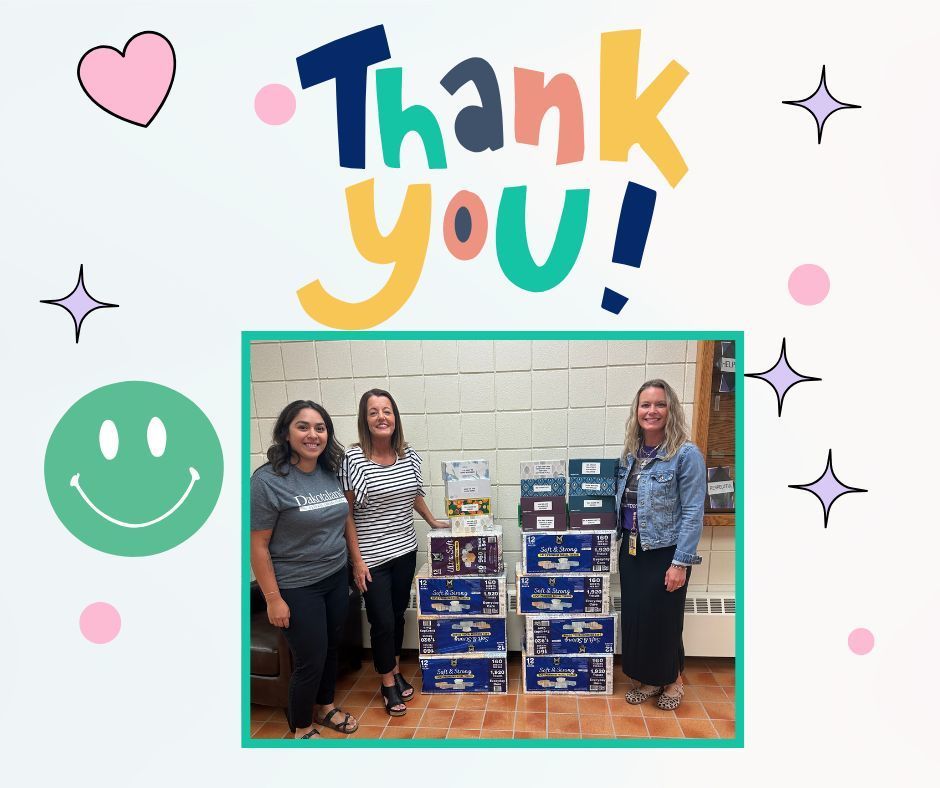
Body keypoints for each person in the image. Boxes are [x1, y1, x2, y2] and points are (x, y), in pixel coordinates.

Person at [249, 400, 359, 739]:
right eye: (303, 426)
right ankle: (301, 727)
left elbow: (343, 519)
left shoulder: (329, 471)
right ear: (286, 431)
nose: (313, 434)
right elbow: (257, 545)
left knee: (330, 649)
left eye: (320, 428)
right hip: (298, 587)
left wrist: (354, 563)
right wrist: (273, 598)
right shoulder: (267, 481)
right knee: (309, 660)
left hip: (334, 577)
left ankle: (326, 707)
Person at [341, 389, 448, 716]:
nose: (381, 417)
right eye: (373, 412)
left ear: (395, 417)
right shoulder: (353, 458)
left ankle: (395, 669)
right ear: (365, 420)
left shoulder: (408, 455)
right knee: (382, 621)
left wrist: (432, 520)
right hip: (371, 558)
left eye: (386, 411)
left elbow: (413, 493)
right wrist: (356, 560)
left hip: (405, 550)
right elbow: (346, 513)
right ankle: (387, 682)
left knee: (398, 615)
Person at [614, 379, 706, 711]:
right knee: (639, 618)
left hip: (665, 551)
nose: (652, 411)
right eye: (645, 405)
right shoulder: (630, 455)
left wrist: (680, 563)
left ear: (671, 410)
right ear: (636, 411)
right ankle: (650, 678)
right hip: (633, 549)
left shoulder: (685, 454)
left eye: (660, 404)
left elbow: (694, 511)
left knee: (665, 620)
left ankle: (673, 681)